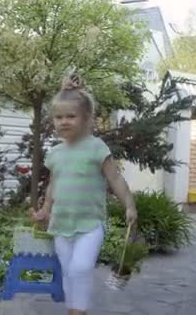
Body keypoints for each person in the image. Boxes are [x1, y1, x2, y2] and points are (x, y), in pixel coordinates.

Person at [31, 73, 138, 315]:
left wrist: (129, 205)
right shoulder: (56, 153)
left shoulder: (96, 147)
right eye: (58, 117)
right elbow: (53, 186)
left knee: (80, 268)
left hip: (90, 224)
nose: (64, 122)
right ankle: (76, 311)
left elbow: (115, 178)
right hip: (61, 225)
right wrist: (45, 210)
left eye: (71, 116)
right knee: (69, 272)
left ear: (86, 118)